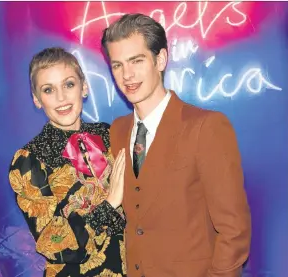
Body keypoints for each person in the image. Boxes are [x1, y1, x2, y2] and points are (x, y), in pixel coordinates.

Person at [101, 14, 252, 277]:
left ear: (160, 59)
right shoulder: (117, 131)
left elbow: (234, 230)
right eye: (117, 65)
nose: (127, 75)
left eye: (136, 61)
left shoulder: (206, 127)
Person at [8, 47, 127, 277]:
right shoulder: (28, 161)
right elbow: (53, 243)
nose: (61, 97)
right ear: (37, 99)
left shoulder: (109, 134)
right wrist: (109, 205)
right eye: (49, 90)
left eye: (69, 84)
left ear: (84, 87)